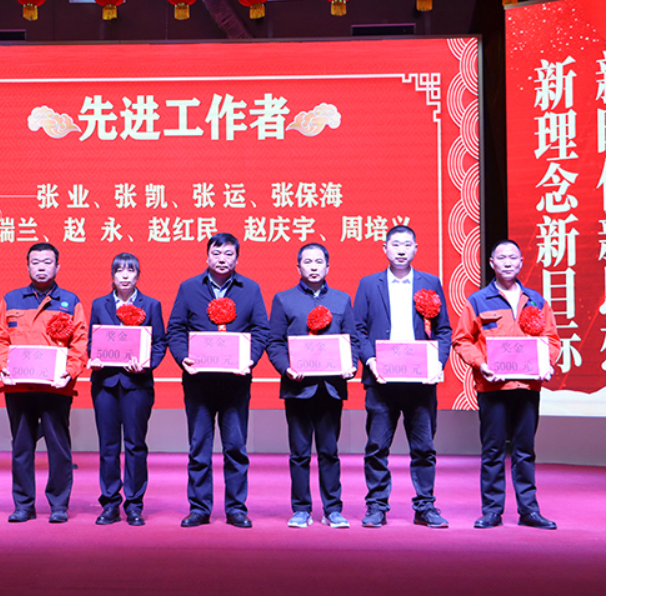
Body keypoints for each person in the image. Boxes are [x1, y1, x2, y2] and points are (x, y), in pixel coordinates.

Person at [451, 240, 562, 530]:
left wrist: (547, 362)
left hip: (527, 387)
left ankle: (529, 510)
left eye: (513, 257)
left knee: (525, 450)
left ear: (521, 262)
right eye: (502, 258)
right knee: (493, 451)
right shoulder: (478, 300)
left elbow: (551, 338)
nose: (508, 262)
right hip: (493, 388)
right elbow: (461, 340)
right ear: (492, 263)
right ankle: (492, 511)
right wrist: (481, 364)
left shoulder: (536, 300)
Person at [350, 225, 454, 528]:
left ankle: (425, 506)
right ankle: (376, 506)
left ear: (416, 249)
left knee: (424, 448)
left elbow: (443, 330)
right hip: (381, 381)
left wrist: (437, 362)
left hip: (420, 382)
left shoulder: (430, 282)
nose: (401, 250)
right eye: (395, 244)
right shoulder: (369, 284)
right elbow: (359, 330)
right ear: (385, 248)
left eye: (407, 244)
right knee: (376, 447)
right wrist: (370, 361)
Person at [166, 233, 270, 528]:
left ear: (237, 258)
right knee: (199, 448)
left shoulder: (250, 289)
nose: (222, 259)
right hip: (198, 382)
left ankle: (236, 509)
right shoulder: (189, 288)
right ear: (207, 256)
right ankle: (199, 508)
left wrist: (250, 359)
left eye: (228, 254)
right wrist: (183, 357)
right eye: (216, 253)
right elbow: (175, 328)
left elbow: (261, 329)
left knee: (235, 448)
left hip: (236, 383)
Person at [0, 243, 89, 524]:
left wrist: (69, 372)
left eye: (47, 262)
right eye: (35, 262)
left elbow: (80, 342)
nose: (41, 267)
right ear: (28, 266)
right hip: (19, 387)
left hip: (56, 386)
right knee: (22, 447)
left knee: (59, 448)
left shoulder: (70, 301)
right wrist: (2, 366)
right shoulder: (11, 299)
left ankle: (59, 505)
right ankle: (23, 505)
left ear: (57, 266)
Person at [267, 243, 357, 529]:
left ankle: (333, 510)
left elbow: (352, 340)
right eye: (308, 262)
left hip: (331, 388)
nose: (314, 266)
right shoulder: (284, 299)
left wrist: (351, 365)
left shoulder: (342, 300)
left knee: (329, 451)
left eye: (319, 262)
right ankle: (301, 509)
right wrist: (286, 368)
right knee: (300, 453)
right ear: (298, 267)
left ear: (328, 267)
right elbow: (274, 342)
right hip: (298, 388)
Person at [85, 253, 166, 526]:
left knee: (135, 445)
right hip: (105, 384)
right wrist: (94, 357)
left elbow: (159, 343)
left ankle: (134, 505)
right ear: (112, 275)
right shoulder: (99, 304)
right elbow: (92, 341)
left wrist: (146, 364)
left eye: (130, 270)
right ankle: (110, 503)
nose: (125, 275)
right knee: (108, 446)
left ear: (138, 275)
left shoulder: (151, 305)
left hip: (137, 385)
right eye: (119, 270)